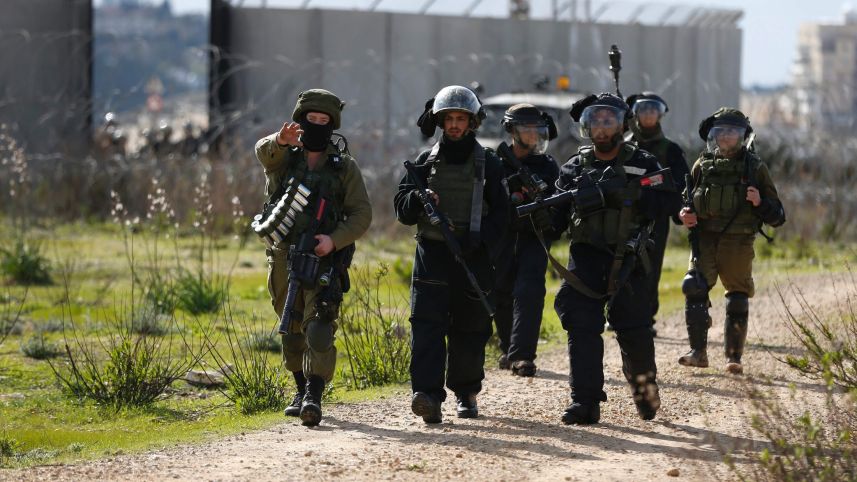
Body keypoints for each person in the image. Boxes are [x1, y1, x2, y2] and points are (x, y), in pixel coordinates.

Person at [254, 89, 372, 426]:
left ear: (333, 125)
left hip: (323, 258)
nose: (317, 126)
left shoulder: (343, 167)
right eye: (311, 120)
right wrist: (280, 139)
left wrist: (333, 241)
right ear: (300, 121)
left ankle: (314, 395)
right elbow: (263, 154)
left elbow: (361, 215)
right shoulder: (283, 156)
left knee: (319, 327)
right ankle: (300, 388)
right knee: (289, 325)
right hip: (282, 256)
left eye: (324, 121)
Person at [550, 93, 669, 425]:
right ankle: (584, 401)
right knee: (580, 322)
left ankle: (645, 393)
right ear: (587, 126)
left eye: (609, 120)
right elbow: (556, 217)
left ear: (622, 124)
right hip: (586, 258)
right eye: (596, 120)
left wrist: (624, 193)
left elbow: (664, 203)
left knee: (634, 331)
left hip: (631, 258)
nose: (602, 127)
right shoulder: (575, 166)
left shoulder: (643, 162)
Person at [394, 85, 509, 424]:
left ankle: (466, 392)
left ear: (472, 122)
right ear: (440, 122)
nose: (455, 125)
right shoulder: (423, 162)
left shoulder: (489, 163)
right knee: (427, 325)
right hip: (432, 254)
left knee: (470, 328)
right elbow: (401, 208)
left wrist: (481, 243)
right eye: (449, 119)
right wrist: (418, 199)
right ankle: (427, 395)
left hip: (473, 256)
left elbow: (503, 216)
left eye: (461, 119)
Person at [677, 108, 785, 374]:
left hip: (738, 240)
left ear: (743, 136)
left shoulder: (755, 167)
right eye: (721, 131)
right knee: (694, 287)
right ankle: (698, 352)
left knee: (737, 295)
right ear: (713, 135)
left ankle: (733, 357)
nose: (726, 137)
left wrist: (759, 202)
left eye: (732, 132)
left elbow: (778, 215)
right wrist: (684, 215)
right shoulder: (702, 164)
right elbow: (687, 200)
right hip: (705, 238)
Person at [492, 104, 560, 376]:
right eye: (526, 129)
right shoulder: (495, 163)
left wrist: (548, 217)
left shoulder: (547, 165)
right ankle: (508, 348)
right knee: (501, 291)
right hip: (503, 237)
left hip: (534, 237)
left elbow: (559, 203)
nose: (533, 135)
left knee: (529, 290)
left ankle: (523, 356)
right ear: (512, 130)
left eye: (536, 129)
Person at [624, 93, 689, 335]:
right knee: (620, 264)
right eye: (644, 109)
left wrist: (678, 210)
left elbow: (681, 183)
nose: (649, 114)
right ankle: (618, 312)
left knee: (650, 267)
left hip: (656, 217)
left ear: (660, 114)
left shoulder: (670, 149)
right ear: (636, 114)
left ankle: (646, 317)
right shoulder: (625, 146)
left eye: (653, 109)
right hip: (626, 215)